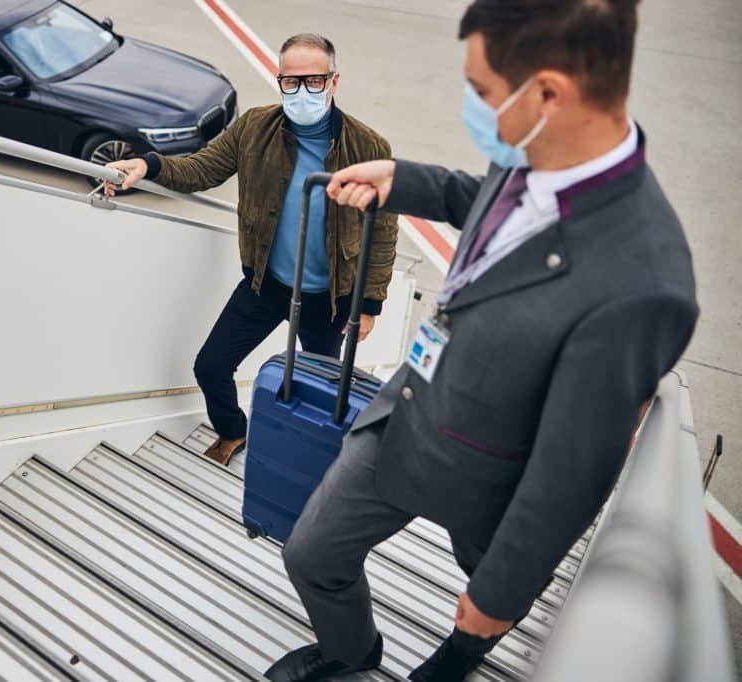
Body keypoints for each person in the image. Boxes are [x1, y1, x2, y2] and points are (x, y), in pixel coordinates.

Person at [264, 1, 699, 680]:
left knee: (479, 611)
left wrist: (499, 596)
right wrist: (400, 179)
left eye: (481, 92)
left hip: (492, 483)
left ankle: (457, 661)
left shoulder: (644, 284)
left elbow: (572, 471)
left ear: (550, 92)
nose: (472, 105)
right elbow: (485, 198)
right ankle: (353, 651)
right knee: (310, 556)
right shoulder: (536, 147)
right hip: (405, 421)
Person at [105, 34, 398, 466]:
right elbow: (202, 168)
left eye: (313, 81)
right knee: (211, 366)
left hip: (328, 300)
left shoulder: (368, 147)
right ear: (279, 81)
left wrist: (370, 303)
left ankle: (302, 460)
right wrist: (148, 164)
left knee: (317, 391)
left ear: (334, 81)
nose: (301, 92)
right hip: (266, 284)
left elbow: (385, 229)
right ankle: (233, 431)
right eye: (290, 81)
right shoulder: (254, 128)